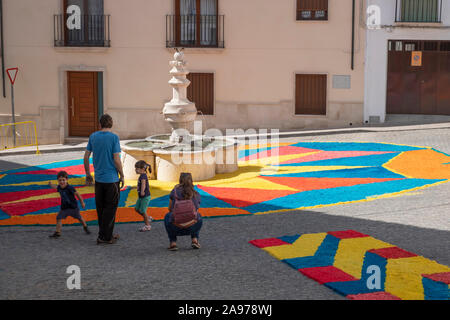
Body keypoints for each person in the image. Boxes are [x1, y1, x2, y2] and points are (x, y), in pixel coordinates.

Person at [84, 114, 124, 245]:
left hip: (99, 179)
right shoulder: (114, 138)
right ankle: (104, 237)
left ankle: (106, 234)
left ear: (99, 124)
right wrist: (122, 174)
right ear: (111, 124)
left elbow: (85, 157)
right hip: (112, 179)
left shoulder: (93, 136)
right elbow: (117, 160)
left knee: (101, 208)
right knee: (110, 208)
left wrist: (88, 174)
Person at [164, 172, 203, 251]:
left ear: (180, 180)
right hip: (192, 226)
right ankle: (194, 239)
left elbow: (170, 208)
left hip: (176, 226)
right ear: (191, 181)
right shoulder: (196, 194)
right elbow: (196, 210)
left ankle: (173, 242)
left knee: (167, 216)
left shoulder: (174, 192)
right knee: (198, 216)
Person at [48, 171, 90, 238]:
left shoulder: (70, 188)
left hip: (73, 208)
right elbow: (55, 187)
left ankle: (85, 227)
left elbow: (78, 194)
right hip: (64, 208)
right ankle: (58, 232)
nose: (62, 182)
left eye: (63, 180)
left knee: (79, 218)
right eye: (60, 180)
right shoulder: (59, 187)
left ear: (67, 180)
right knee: (58, 218)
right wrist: (51, 185)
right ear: (58, 181)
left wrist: (82, 202)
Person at [133, 160, 153, 232]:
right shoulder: (141, 176)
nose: (135, 170)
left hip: (145, 196)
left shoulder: (143, 176)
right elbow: (141, 184)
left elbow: (143, 184)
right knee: (137, 209)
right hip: (141, 197)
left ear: (143, 169)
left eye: (137, 168)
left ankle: (147, 225)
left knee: (143, 211)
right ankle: (148, 218)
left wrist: (142, 191)